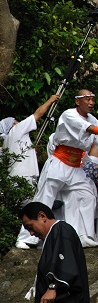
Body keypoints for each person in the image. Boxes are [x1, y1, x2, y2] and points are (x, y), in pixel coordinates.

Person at [32, 89, 98, 248]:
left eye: (93, 99)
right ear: (77, 101)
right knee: (44, 199)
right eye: (87, 99)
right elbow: (88, 128)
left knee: (86, 196)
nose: (91, 102)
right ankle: (29, 237)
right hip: (60, 162)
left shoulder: (93, 118)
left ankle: (83, 236)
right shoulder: (68, 114)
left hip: (76, 166)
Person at [1, 94, 60, 249]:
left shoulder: (7, 140)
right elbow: (38, 114)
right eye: (16, 121)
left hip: (18, 178)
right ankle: (24, 239)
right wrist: (51, 100)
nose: (19, 122)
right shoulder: (17, 130)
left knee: (30, 209)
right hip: (24, 177)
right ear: (12, 124)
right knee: (32, 210)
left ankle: (32, 237)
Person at [19, 202, 89, 303]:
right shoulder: (52, 236)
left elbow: (67, 262)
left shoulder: (61, 229)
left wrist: (52, 287)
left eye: (30, 227)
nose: (31, 233)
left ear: (42, 216)